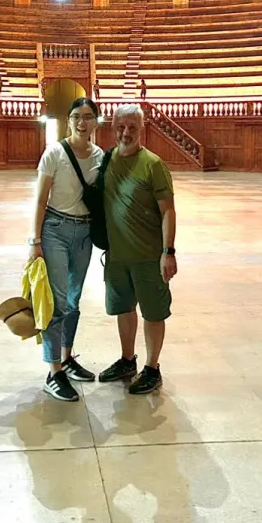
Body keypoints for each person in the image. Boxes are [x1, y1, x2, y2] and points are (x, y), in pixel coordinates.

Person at [28, 98, 104, 402]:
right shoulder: (54, 153)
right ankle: (54, 370)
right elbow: (40, 200)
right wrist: (34, 242)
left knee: (73, 299)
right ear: (68, 120)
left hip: (84, 233)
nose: (81, 123)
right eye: (76, 117)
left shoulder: (100, 156)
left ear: (96, 122)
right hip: (55, 230)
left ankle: (67, 356)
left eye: (87, 117)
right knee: (58, 302)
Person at [99, 104, 177, 395]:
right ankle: (127, 360)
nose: (126, 132)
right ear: (113, 128)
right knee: (124, 308)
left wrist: (168, 251)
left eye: (132, 127)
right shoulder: (107, 160)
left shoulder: (153, 164)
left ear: (141, 129)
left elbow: (168, 210)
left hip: (148, 256)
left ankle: (152, 368)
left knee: (153, 313)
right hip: (117, 256)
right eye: (121, 126)